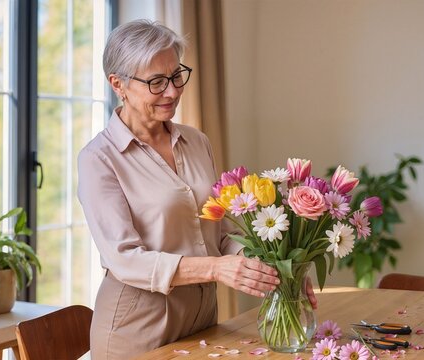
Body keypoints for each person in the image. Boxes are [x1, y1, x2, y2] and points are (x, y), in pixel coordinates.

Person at [78, 20, 316, 359]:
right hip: (136, 331)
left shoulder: (196, 141)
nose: (173, 91)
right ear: (119, 84)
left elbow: (224, 233)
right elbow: (124, 259)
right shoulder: (98, 159)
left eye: (176, 76)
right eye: (157, 82)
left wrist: (279, 272)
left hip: (203, 321)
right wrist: (216, 268)